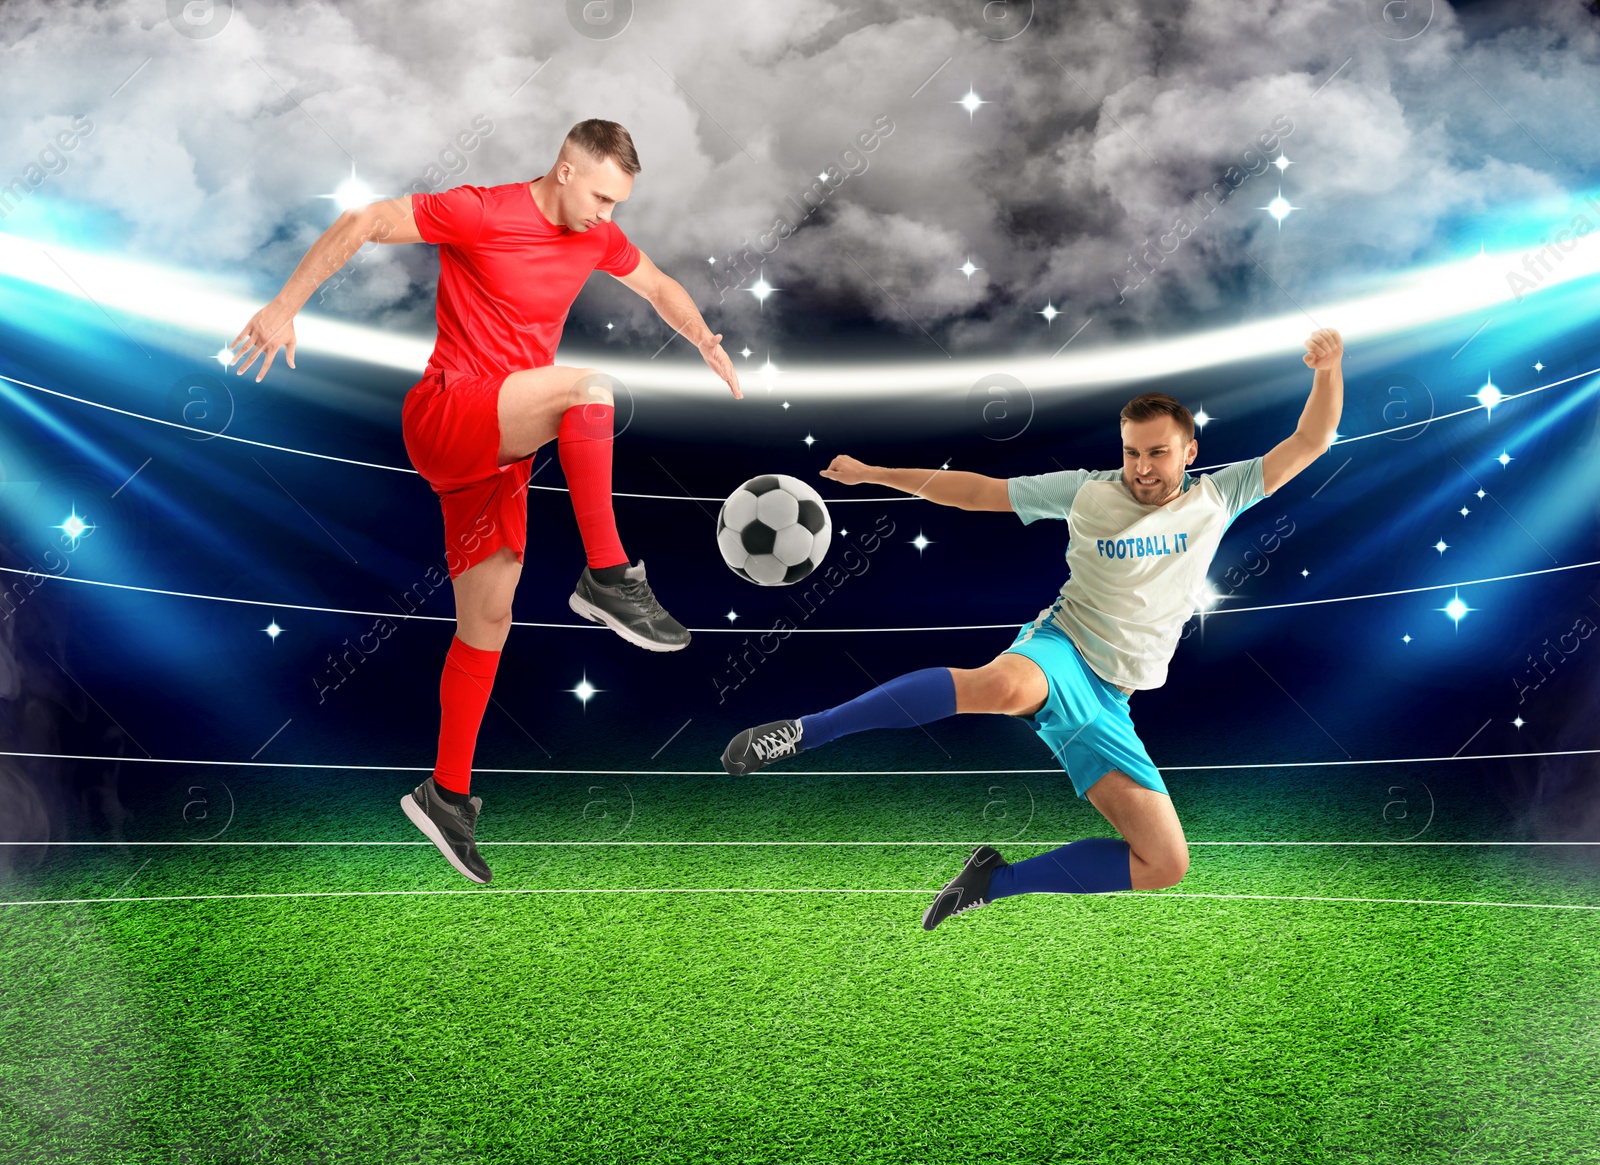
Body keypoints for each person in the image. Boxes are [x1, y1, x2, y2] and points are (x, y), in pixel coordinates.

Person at [231, 119, 743, 885]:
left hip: (500, 453)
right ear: (566, 170)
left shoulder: (597, 237)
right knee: (589, 389)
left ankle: (446, 795)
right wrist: (284, 304)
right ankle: (607, 573)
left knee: (488, 620)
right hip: (450, 412)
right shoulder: (484, 210)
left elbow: (660, 285)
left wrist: (702, 337)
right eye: (602, 195)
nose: (609, 214)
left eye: (620, 202)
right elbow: (365, 220)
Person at [721, 329, 1344, 929]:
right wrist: (876, 473)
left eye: (1158, 452)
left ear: (1189, 452)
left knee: (1163, 863)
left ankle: (994, 880)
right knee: (1003, 687)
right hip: (1063, 648)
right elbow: (978, 493)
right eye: (1131, 451)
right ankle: (802, 733)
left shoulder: (1220, 497)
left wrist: (1328, 369)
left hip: (1113, 699)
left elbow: (1312, 439)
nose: (1142, 467)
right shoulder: (1086, 493)